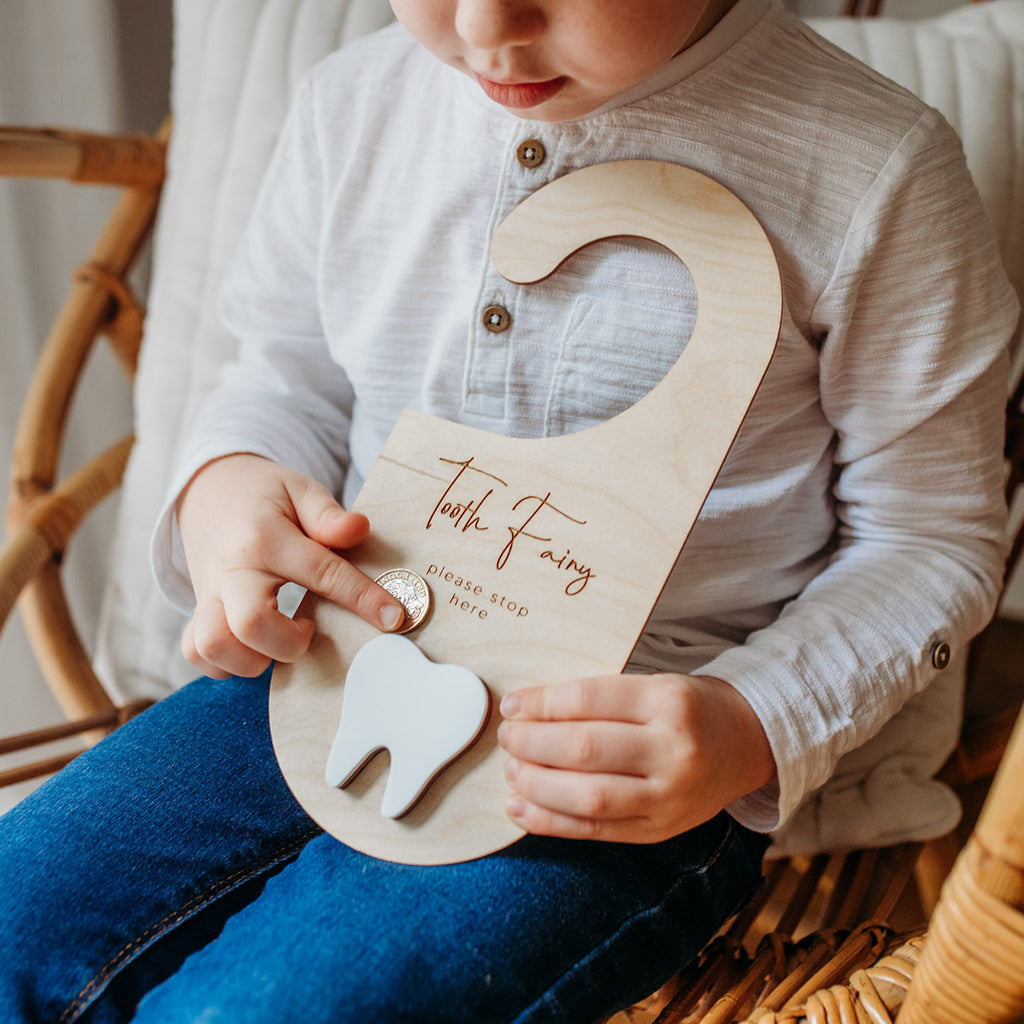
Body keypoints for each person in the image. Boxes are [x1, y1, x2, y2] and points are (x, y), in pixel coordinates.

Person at [0, 0, 1018, 1020]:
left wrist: (751, 723)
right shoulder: (351, 106)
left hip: (609, 757)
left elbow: (930, 539)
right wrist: (230, 489)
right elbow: (281, 374)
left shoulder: (874, 169)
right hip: (329, 666)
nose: (487, 23)